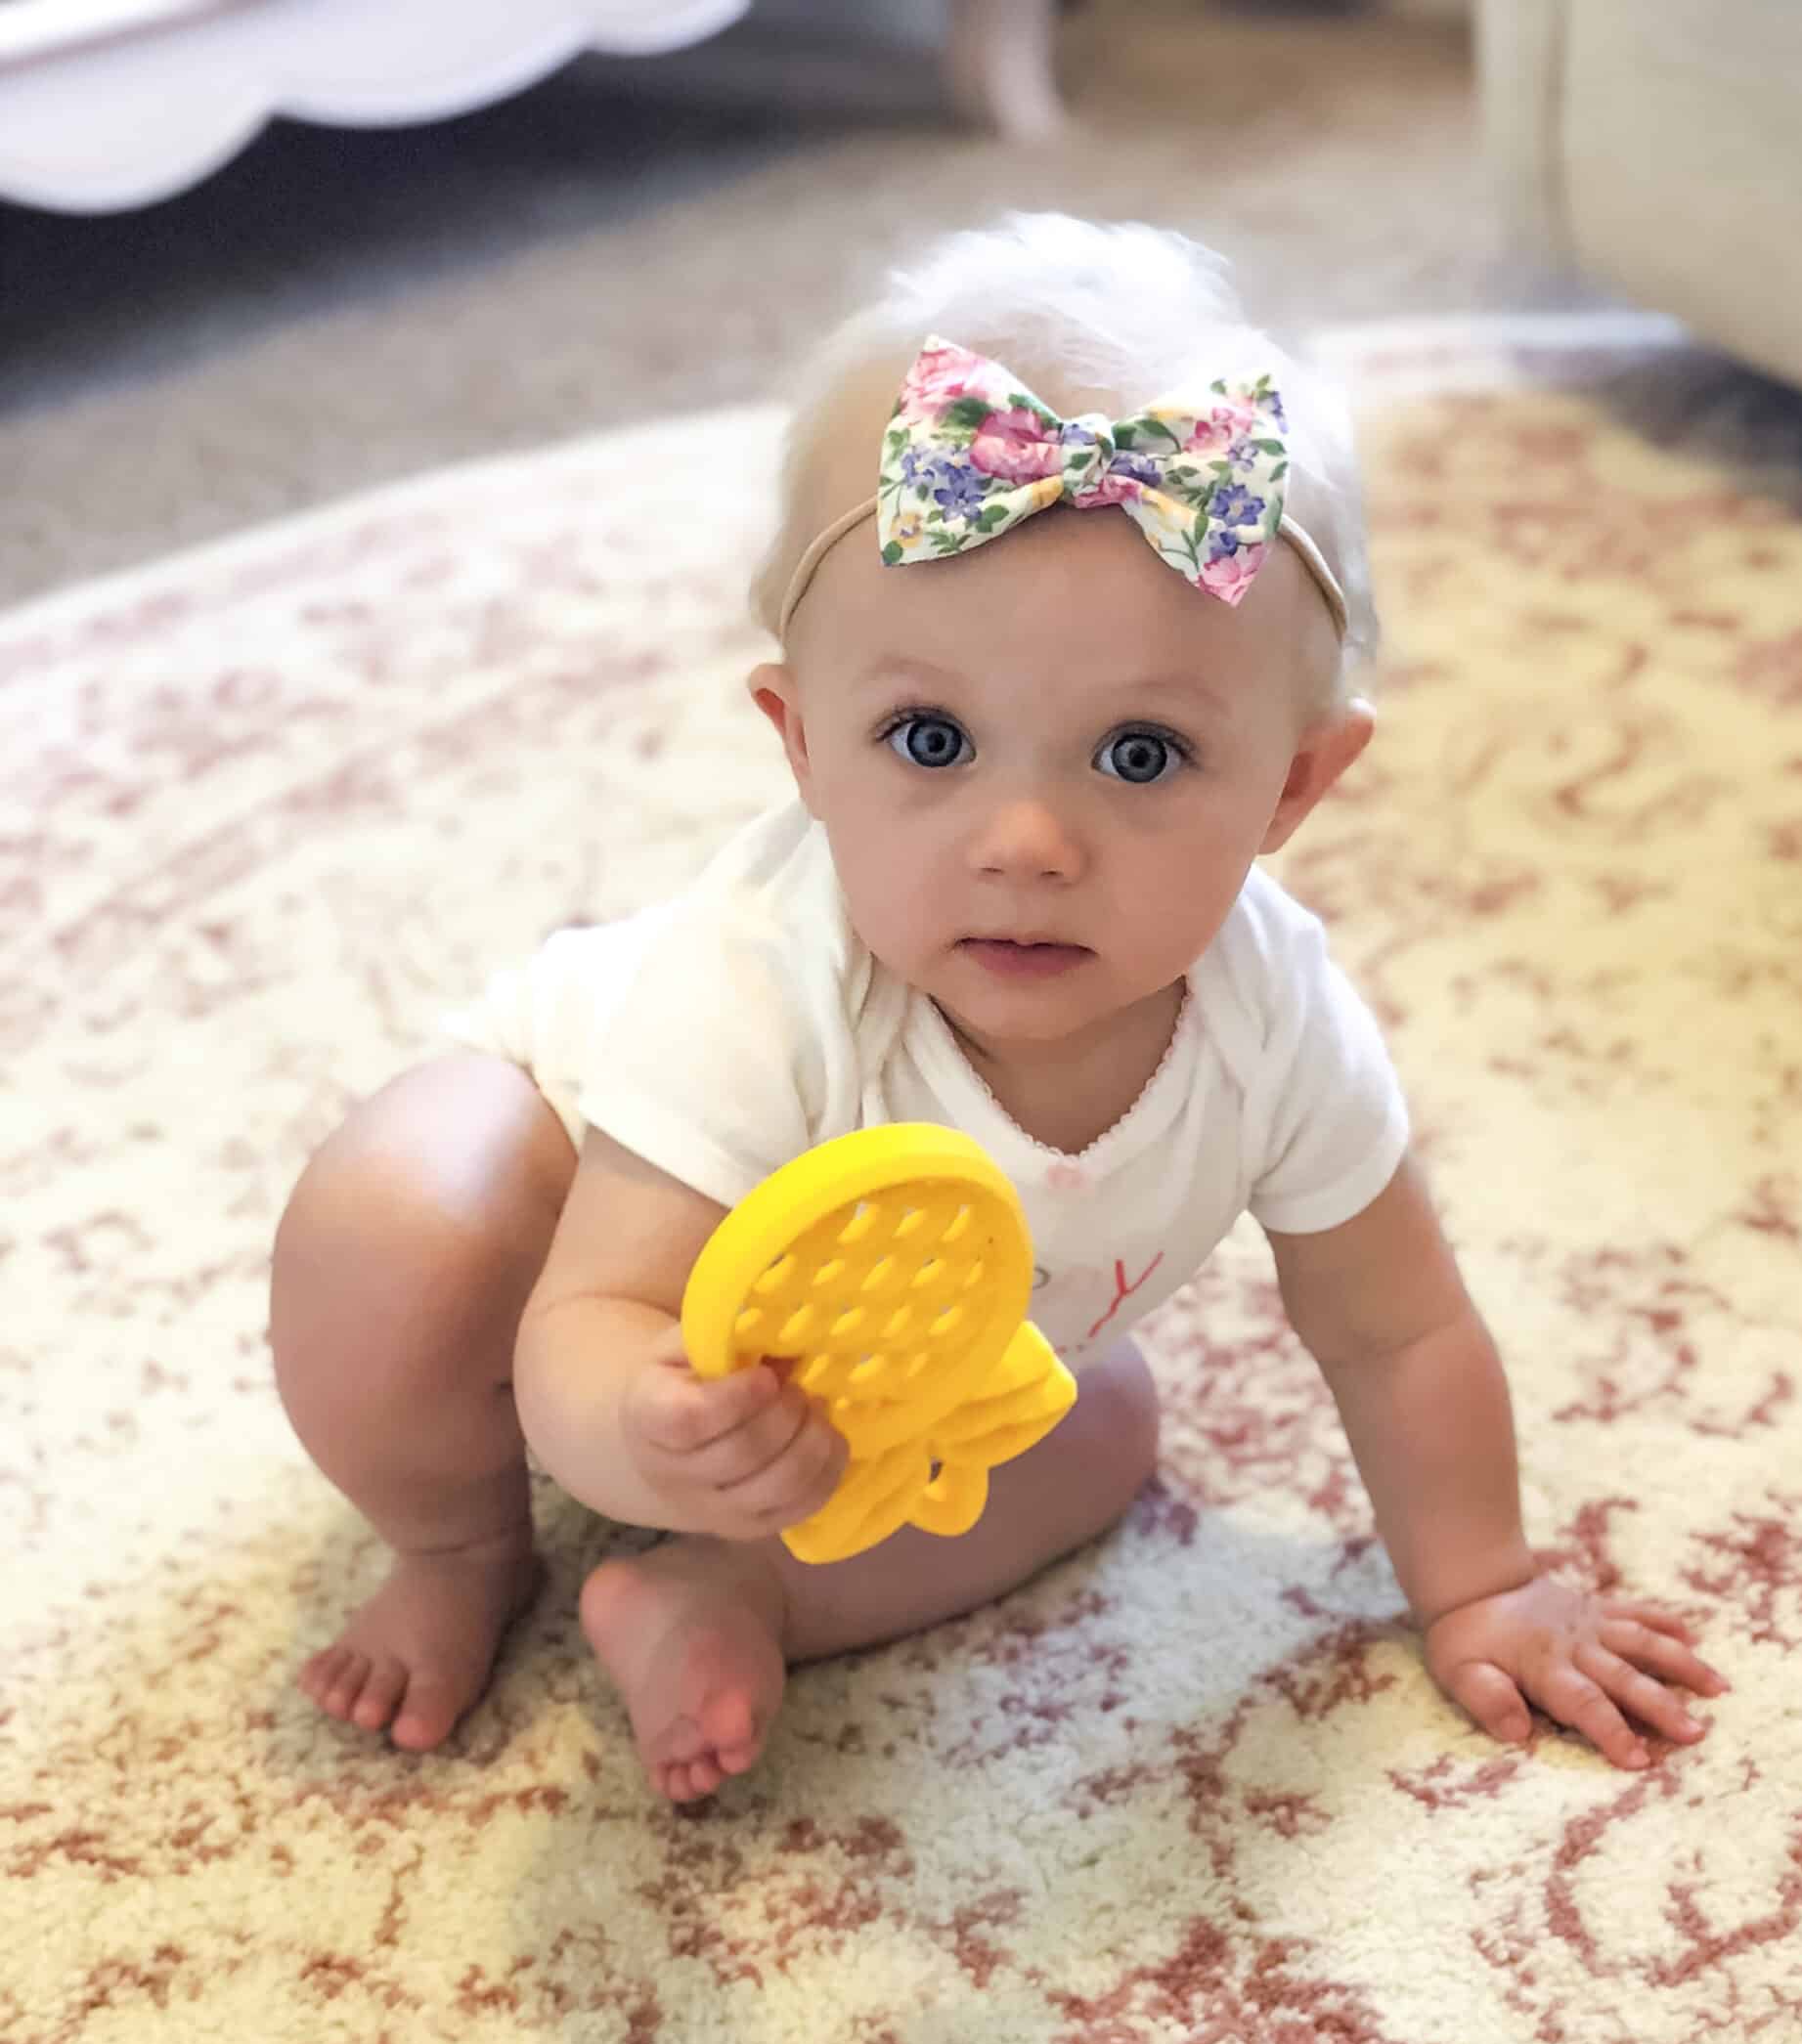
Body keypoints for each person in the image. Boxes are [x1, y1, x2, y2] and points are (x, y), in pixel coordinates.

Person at [270, 213, 1726, 1803]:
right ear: (801, 743)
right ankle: (460, 1547)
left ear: (1296, 786)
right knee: (391, 1236)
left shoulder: (1276, 1019)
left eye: (1141, 756)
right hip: (573, 1196)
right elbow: (587, 1321)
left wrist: (1485, 1584)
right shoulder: (763, 977)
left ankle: (732, 1593)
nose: (1026, 844)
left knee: (1099, 1433)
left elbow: (1399, 1329)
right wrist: (636, 1420)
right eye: (931, 740)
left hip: (880, 1373)